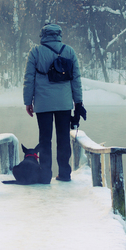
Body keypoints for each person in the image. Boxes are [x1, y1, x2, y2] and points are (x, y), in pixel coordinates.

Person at [23, 23, 86, 184]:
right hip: (64, 104)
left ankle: (45, 175)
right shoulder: (69, 51)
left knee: (45, 139)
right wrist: (78, 102)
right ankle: (64, 174)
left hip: (43, 104)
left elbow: (29, 79)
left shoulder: (35, 52)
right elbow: (76, 79)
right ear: (59, 34)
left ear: (43, 35)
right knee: (63, 139)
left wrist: (28, 101)